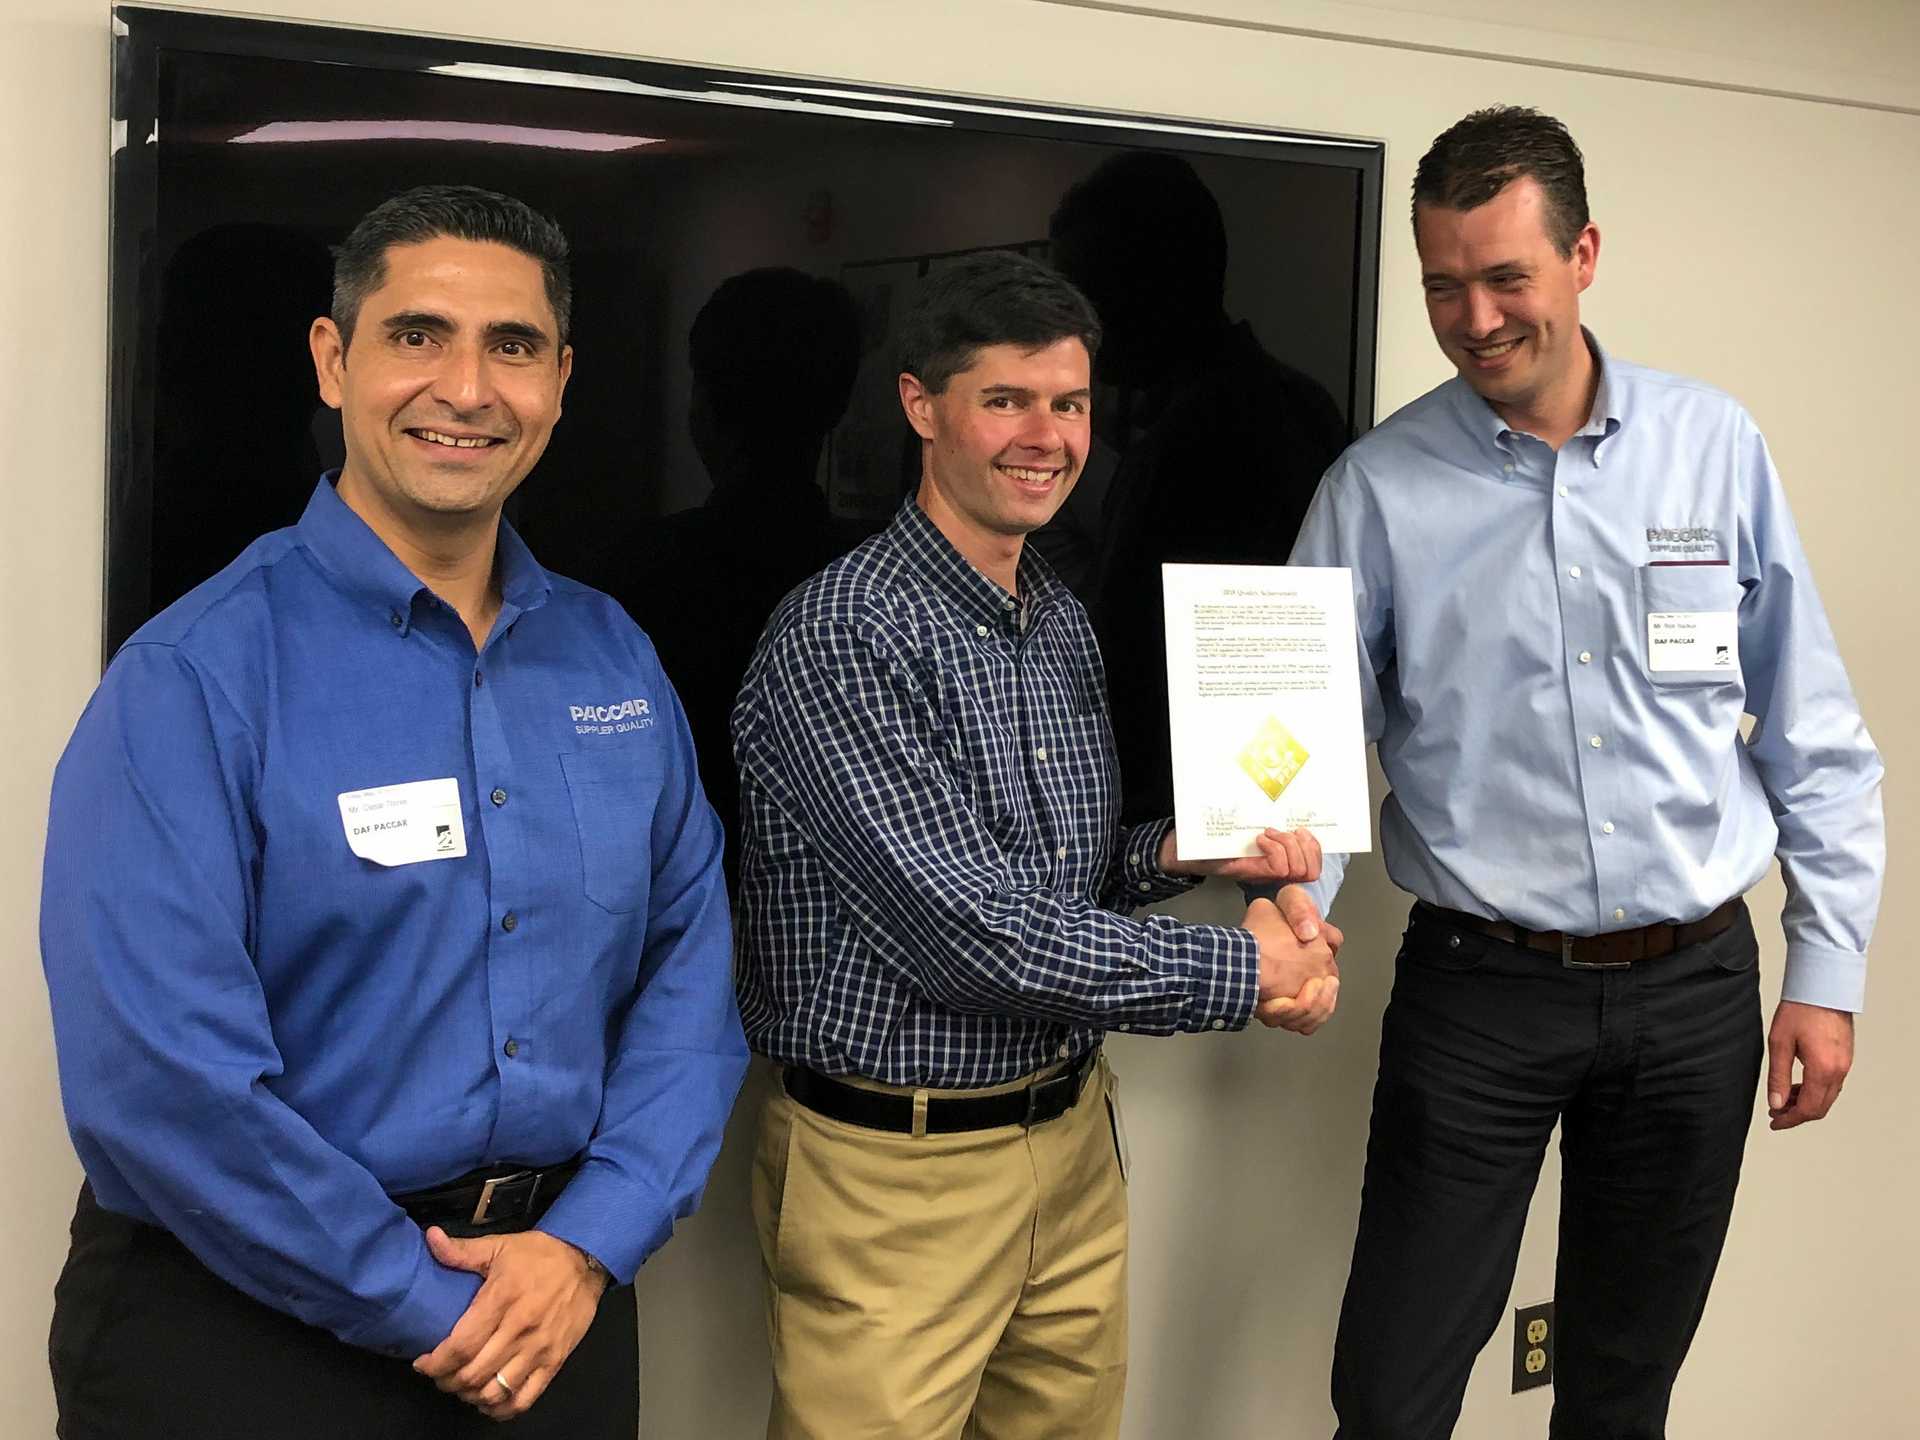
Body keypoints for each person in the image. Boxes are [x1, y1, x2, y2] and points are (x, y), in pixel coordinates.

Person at [40, 184, 747, 1439]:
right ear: (333, 359)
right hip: (246, 1328)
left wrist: (591, 1238)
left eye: (512, 346)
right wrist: (421, 1300)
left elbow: (691, 967)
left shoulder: (613, 659)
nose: (466, 388)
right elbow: (161, 1084)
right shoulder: (194, 678)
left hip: (550, 1309)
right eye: (418, 335)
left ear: (561, 380)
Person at [1281, 109, 1884, 1439]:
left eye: (1507, 278)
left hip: (1699, 990)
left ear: (1584, 255)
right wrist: (1294, 905)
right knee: (1391, 1395)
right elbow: (1302, 745)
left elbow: (1813, 734)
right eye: (1444, 284)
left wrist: (1826, 976)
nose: (1475, 316)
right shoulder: (1375, 489)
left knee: (1621, 1389)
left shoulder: (1712, 446)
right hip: (1480, 992)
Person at [731, 250, 1342, 1440]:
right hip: (894, 1180)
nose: (1047, 436)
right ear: (922, 405)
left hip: (1067, 1142)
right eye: (1005, 399)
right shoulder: (842, 638)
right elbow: (972, 934)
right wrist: (1249, 975)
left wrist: (1187, 853)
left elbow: (1049, 882)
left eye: (1068, 403)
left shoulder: (1054, 615)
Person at [1048, 150, 1350, 822]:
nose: (1077, 326)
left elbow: (1160, 658)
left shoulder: (1222, 429)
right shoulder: (1277, 400)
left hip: (1198, 827)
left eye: (1086, 290)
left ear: (1155, 284)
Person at [587, 267, 862, 891]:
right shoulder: (898, 586)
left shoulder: (624, 581)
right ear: (838, 405)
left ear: (704, 403)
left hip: (676, 903)